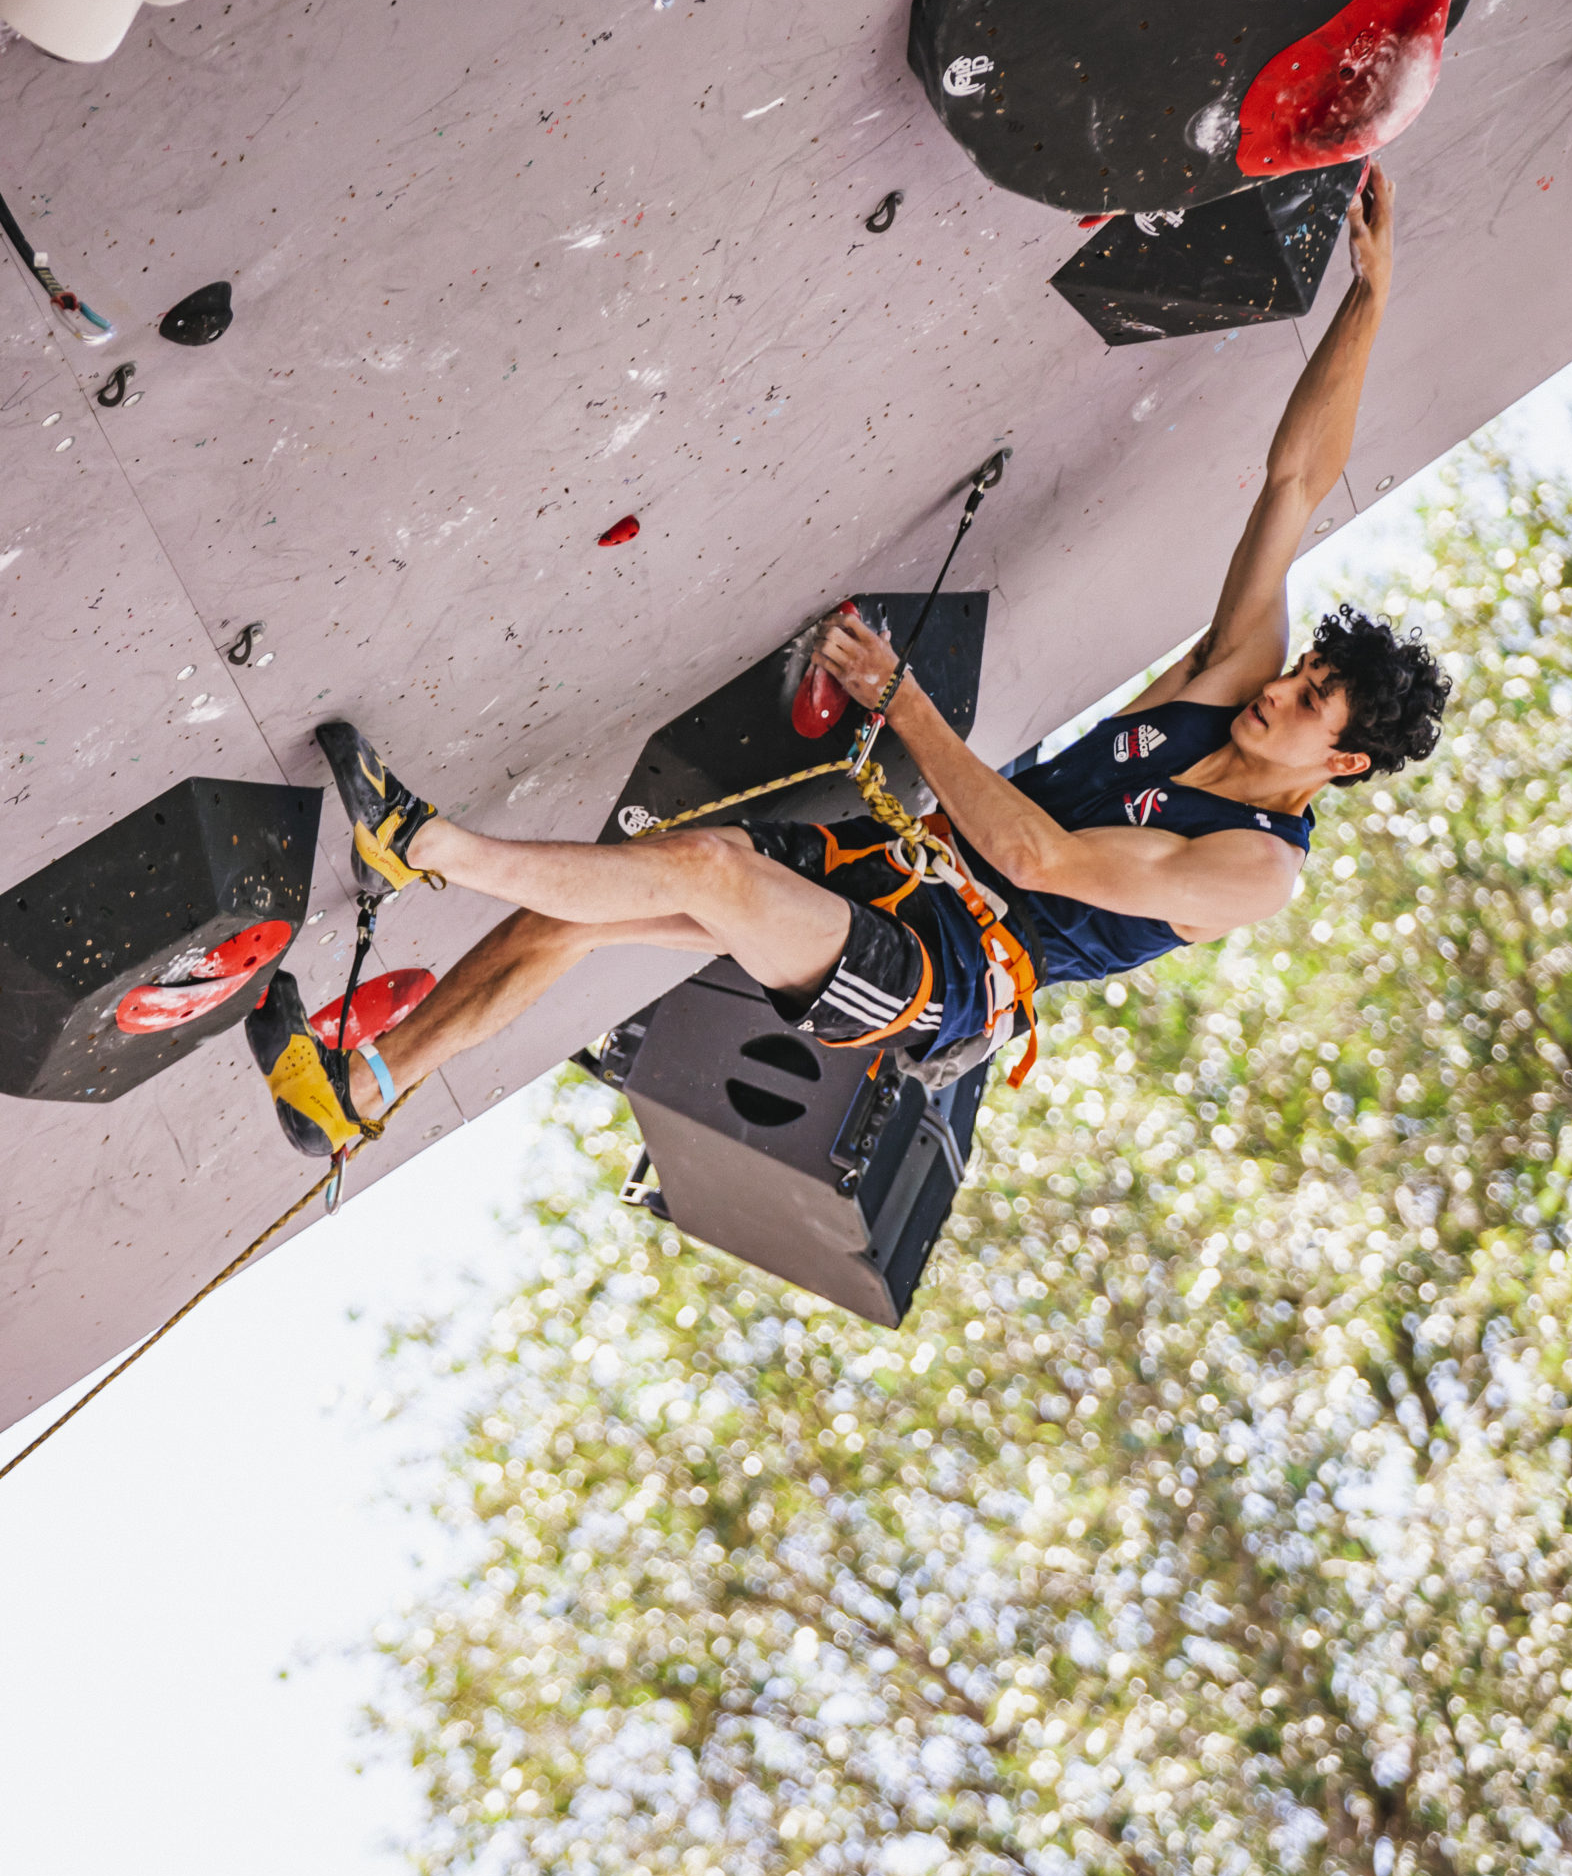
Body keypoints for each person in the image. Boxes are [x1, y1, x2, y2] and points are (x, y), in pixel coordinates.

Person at [246, 164, 1449, 1158]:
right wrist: (1370, 302)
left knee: (708, 869)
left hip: (950, 972)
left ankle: (429, 848)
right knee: (602, 901)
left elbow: (1037, 853)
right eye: (1299, 674)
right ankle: (355, 1091)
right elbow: (1294, 481)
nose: (1277, 689)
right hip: (900, 864)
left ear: (1337, 764)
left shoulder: (1254, 871)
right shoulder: (1231, 684)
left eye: (1306, 706)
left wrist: (905, 704)